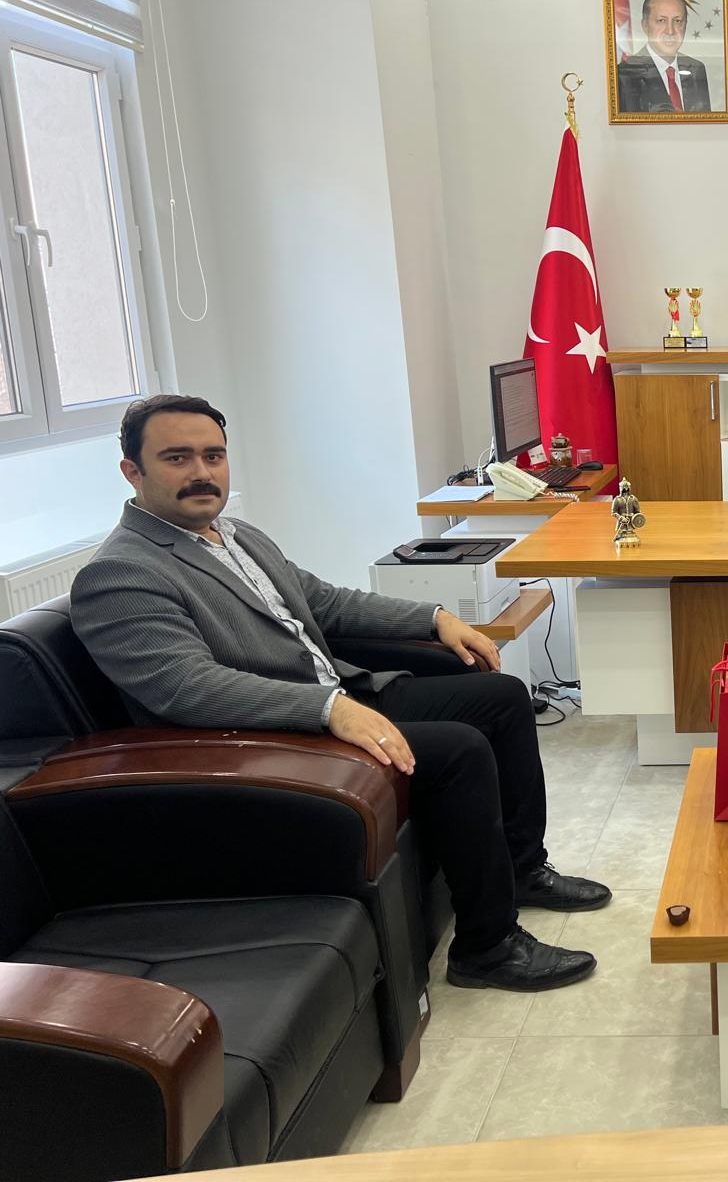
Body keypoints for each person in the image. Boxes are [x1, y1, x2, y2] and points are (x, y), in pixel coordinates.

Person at [70, 395, 611, 994]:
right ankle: (487, 947)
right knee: (459, 749)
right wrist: (325, 709)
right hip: (274, 736)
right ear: (133, 471)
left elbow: (324, 602)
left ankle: (522, 868)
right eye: (177, 458)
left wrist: (433, 618)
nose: (202, 472)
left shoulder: (235, 534)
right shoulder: (121, 573)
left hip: (339, 698)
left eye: (213, 456)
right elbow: (185, 688)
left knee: (502, 697)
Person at [616, 0, 712, 114]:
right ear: (645, 25)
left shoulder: (696, 69)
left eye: (677, 21)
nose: (670, 31)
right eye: (661, 20)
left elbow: (704, 123)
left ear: (685, 25)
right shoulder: (625, 74)